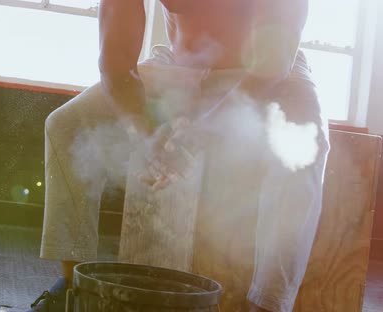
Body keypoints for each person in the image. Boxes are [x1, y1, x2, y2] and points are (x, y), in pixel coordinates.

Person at [29, 0, 330, 311]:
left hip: (266, 72)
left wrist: (202, 132)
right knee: (66, 125)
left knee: (306, 149)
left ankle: (267, 304)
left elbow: (273, 63)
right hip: (177, 66)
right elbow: (117, 66)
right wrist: (144, 132)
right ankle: (75, 287)